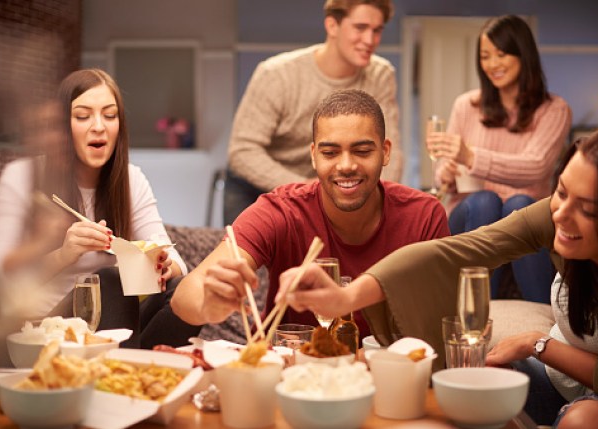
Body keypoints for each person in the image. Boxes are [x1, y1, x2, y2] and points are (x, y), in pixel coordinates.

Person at [279, 123, 598, 427]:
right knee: (466, 390)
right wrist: (347, 298)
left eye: (588, 210)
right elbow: (458, 252)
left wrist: (540, 344)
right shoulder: (556, 219)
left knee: (584, 421)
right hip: (555, 383)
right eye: (561, 193)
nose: (562, 215)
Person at [172, 89, 448, 341]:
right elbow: (184, 295)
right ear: (314, 155)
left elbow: (442, 319)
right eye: (330, 152)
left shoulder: (423, 215)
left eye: (362, 151)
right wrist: (208, 304)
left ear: (385, 152)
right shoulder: (281, 210)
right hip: (287, 375)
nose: (347, 165)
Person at [0, 68, 196, 349]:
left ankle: (134, 368)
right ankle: (128, 371)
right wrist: (63, 254)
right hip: (43, 329)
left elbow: (170, 254)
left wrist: (163, 264)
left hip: (111, 327)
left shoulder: (131, 179)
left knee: (189, 290)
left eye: (110, 116)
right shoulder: (24, 175)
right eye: (83, 116)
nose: (99, 126)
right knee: (109, 280)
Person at [428, 15, 572, 303]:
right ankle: (476, 311)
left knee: (519, 205)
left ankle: (543, 319)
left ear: (523, 55)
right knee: (485, 201)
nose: (492, 64)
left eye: (501, 54)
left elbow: (537, 166)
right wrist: (446, 173)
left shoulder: (554, 109)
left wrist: (471, 156)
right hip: (471, 211)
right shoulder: (467, 105)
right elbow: (445, 172)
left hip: (524, 213)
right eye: (485, 56)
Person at [224, 0, 403, 225]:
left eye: (377, 30)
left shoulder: (380, 75)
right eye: (360, 28)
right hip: (259, 187)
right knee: (245, 258)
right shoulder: (277, 75)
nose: (370, 40)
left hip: (328, 186)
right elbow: (242, 150)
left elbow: (390, 149)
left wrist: (374, 196)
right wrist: (307, 190)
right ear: (332, 26)